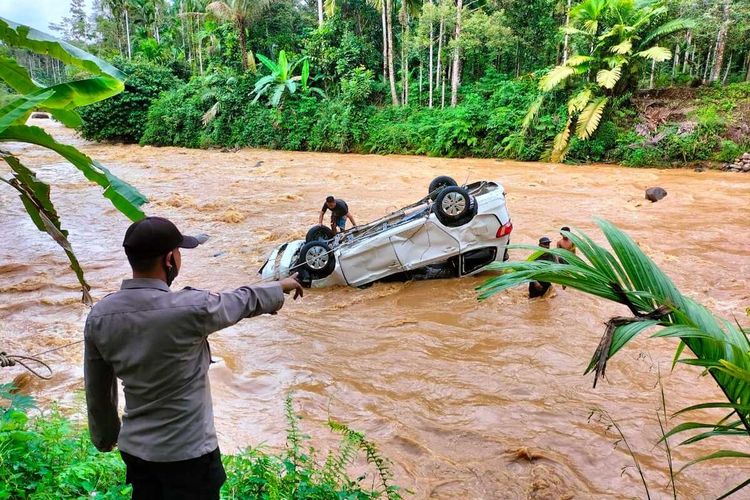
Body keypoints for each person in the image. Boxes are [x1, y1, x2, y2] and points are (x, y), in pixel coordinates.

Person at [84, 216, 303, 500]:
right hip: (188, 453)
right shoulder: (191, 308)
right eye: (178, 252)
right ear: (169, 260)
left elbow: (98, 391)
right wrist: (280, 286)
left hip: (137, 451)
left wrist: (106, 438)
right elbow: (241, 300)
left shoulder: (100, 316)